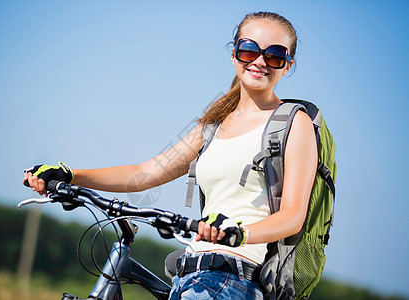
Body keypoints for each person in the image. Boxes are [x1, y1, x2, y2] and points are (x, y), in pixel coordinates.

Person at [24, 12, 317, 300]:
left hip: (234, 280)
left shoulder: (293, 123)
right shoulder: (214, 123)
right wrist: (71, 175)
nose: (260, 61)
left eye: (275, 55)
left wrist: (238, 232)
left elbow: (292, 216)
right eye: (249, 50)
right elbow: (146, 173)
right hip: (190, 276)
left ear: (288, 65)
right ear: (234, 54)